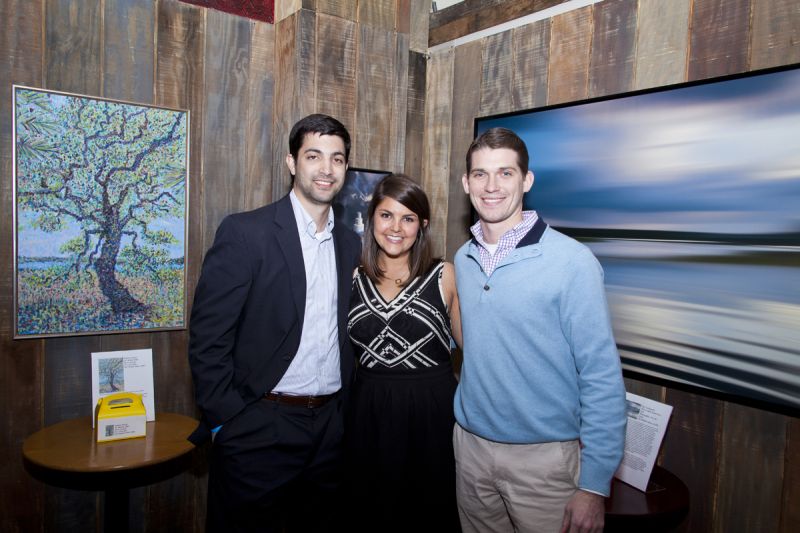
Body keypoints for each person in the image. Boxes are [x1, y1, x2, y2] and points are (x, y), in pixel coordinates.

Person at [188, 114, 361, 532]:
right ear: (291, 162)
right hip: (260, 425)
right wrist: (225, 421)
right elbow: (208, 337)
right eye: (314, 156)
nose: (326, 169)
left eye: (337, 159)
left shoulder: (351, 242)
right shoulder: (247, 232)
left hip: (330, 430)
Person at [453, 127, 626, 533]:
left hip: (545, 464)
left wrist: (595, 485)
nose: (491, 186)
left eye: (505, 173)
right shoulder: (464, 258)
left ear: (526, 180)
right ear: (466, 183)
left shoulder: (572, 262)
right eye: (480, 174)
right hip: (471, 452)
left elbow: (601, 376)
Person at [346, 174, 463, 532]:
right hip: (367, 414)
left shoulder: (445, 275)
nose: (396, 227)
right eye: (386, 216)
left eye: (408, 218)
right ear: (372, 220)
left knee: (428, 513)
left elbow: (478, 354)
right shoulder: (352, 277)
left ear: (422, 225)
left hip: (432, 415)